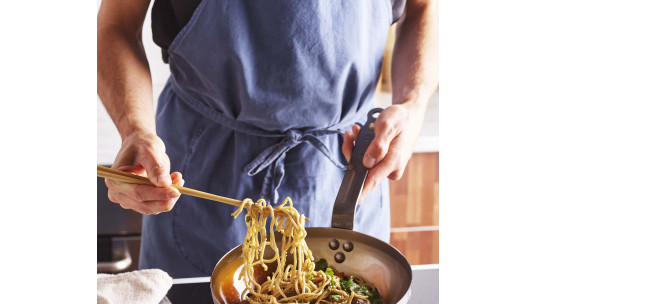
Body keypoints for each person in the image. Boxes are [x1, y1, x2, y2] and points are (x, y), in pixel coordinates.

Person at [98, 0, 438, 278]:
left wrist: (414, 103)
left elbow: (423, 8)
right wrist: (135, 129)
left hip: (343, 171)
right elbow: (116, 24)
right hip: (205, 173)